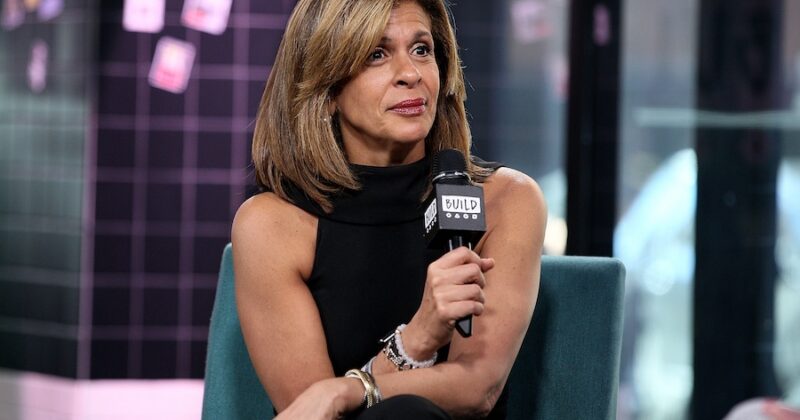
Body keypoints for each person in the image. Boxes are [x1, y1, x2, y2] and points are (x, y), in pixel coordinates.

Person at [231, 0, 546, 418]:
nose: (410, 74)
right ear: (327, 90)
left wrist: (347, 389)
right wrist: (414, 341)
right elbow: (313, 411)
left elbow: (477, 388)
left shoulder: (507, 200)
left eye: (421, 49)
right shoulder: (271, 225)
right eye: (376, 55)